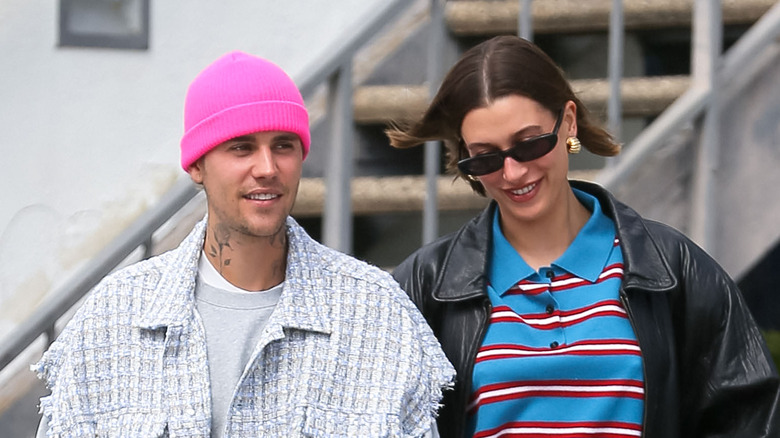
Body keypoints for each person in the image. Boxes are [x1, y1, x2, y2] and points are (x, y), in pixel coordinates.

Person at [33, 51, 454, 437]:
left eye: (283, 146)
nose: (267, 168)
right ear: (197, 165)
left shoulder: (377, 314)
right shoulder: (114, 318)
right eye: (242, 148)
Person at [386, 35, 780, 438]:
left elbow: (748, 419)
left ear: (569, 121)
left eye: (530, 143)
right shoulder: (425, 285)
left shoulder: (673, 267)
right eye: (485, 157)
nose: (513, 173)